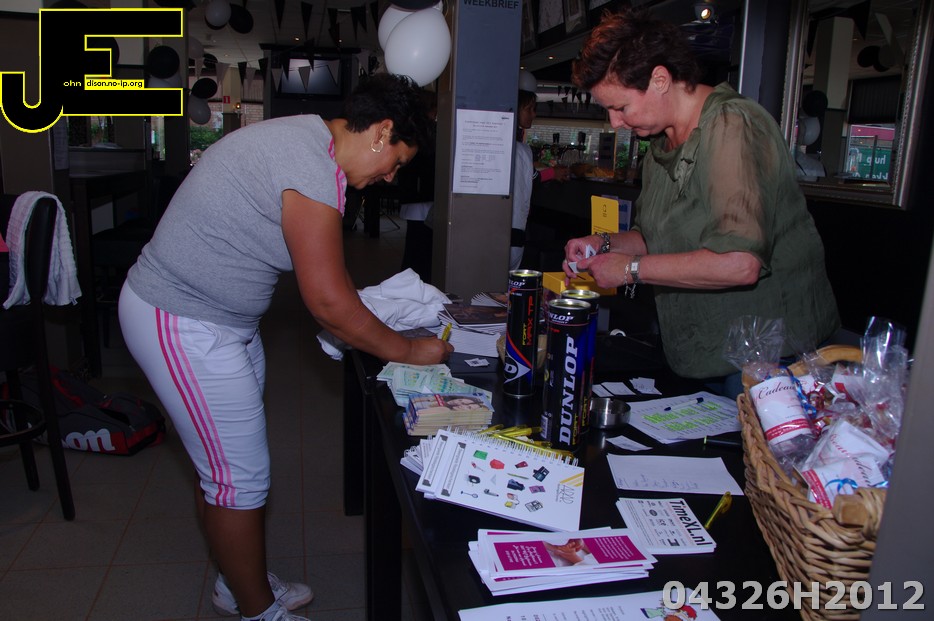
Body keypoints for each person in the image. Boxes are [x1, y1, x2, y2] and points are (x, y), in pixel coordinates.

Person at [117, 73, 454, 621]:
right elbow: (328, 302)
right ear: (381, 132)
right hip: (180, 318)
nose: (391, 176)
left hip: (224, 322)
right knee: (238, 479)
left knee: (224, 467)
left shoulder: (311, 145)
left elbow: (331, 283)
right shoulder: (309, 163)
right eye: (397, 161)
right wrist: (411, 351)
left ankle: (236, 582)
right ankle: (259, 612)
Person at [563, 8, 839, 397]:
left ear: (660, 80)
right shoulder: (659, 145)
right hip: (701, 354)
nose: (615, 123)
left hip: (767, 362)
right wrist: (603, 244)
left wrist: (629, 270)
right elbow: (653, 237)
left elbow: (740, 263)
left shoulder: (732, 126)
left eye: (620, 107)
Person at [510, 70, 569, 271]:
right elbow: (530, 178)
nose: (534, 114)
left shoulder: (513, 144)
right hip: (514, 228)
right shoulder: (519, 148)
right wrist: (554, 173)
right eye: (530, 109)